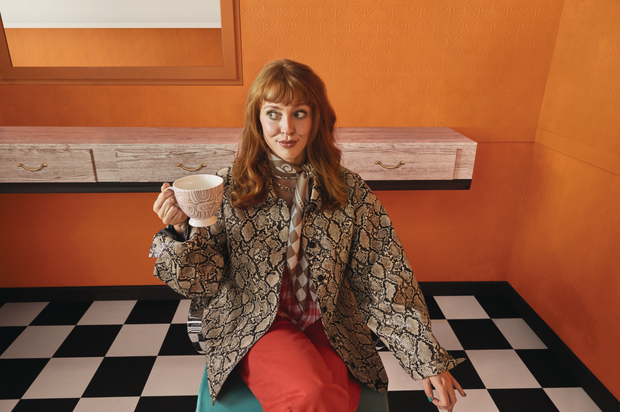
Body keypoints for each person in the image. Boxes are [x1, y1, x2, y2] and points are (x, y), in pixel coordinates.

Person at [151, 59, 465, 411]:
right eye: (273, 114)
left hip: (330, 322)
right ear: (257, 118)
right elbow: (199, 283)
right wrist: (182, 230)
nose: (286, 128)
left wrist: (426, 360)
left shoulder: (348, 190)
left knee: (332, 399)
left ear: (317, 118)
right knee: (312, 395)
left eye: (299, 113)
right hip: (257, 322)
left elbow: (385, 277)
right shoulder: (226, 188)